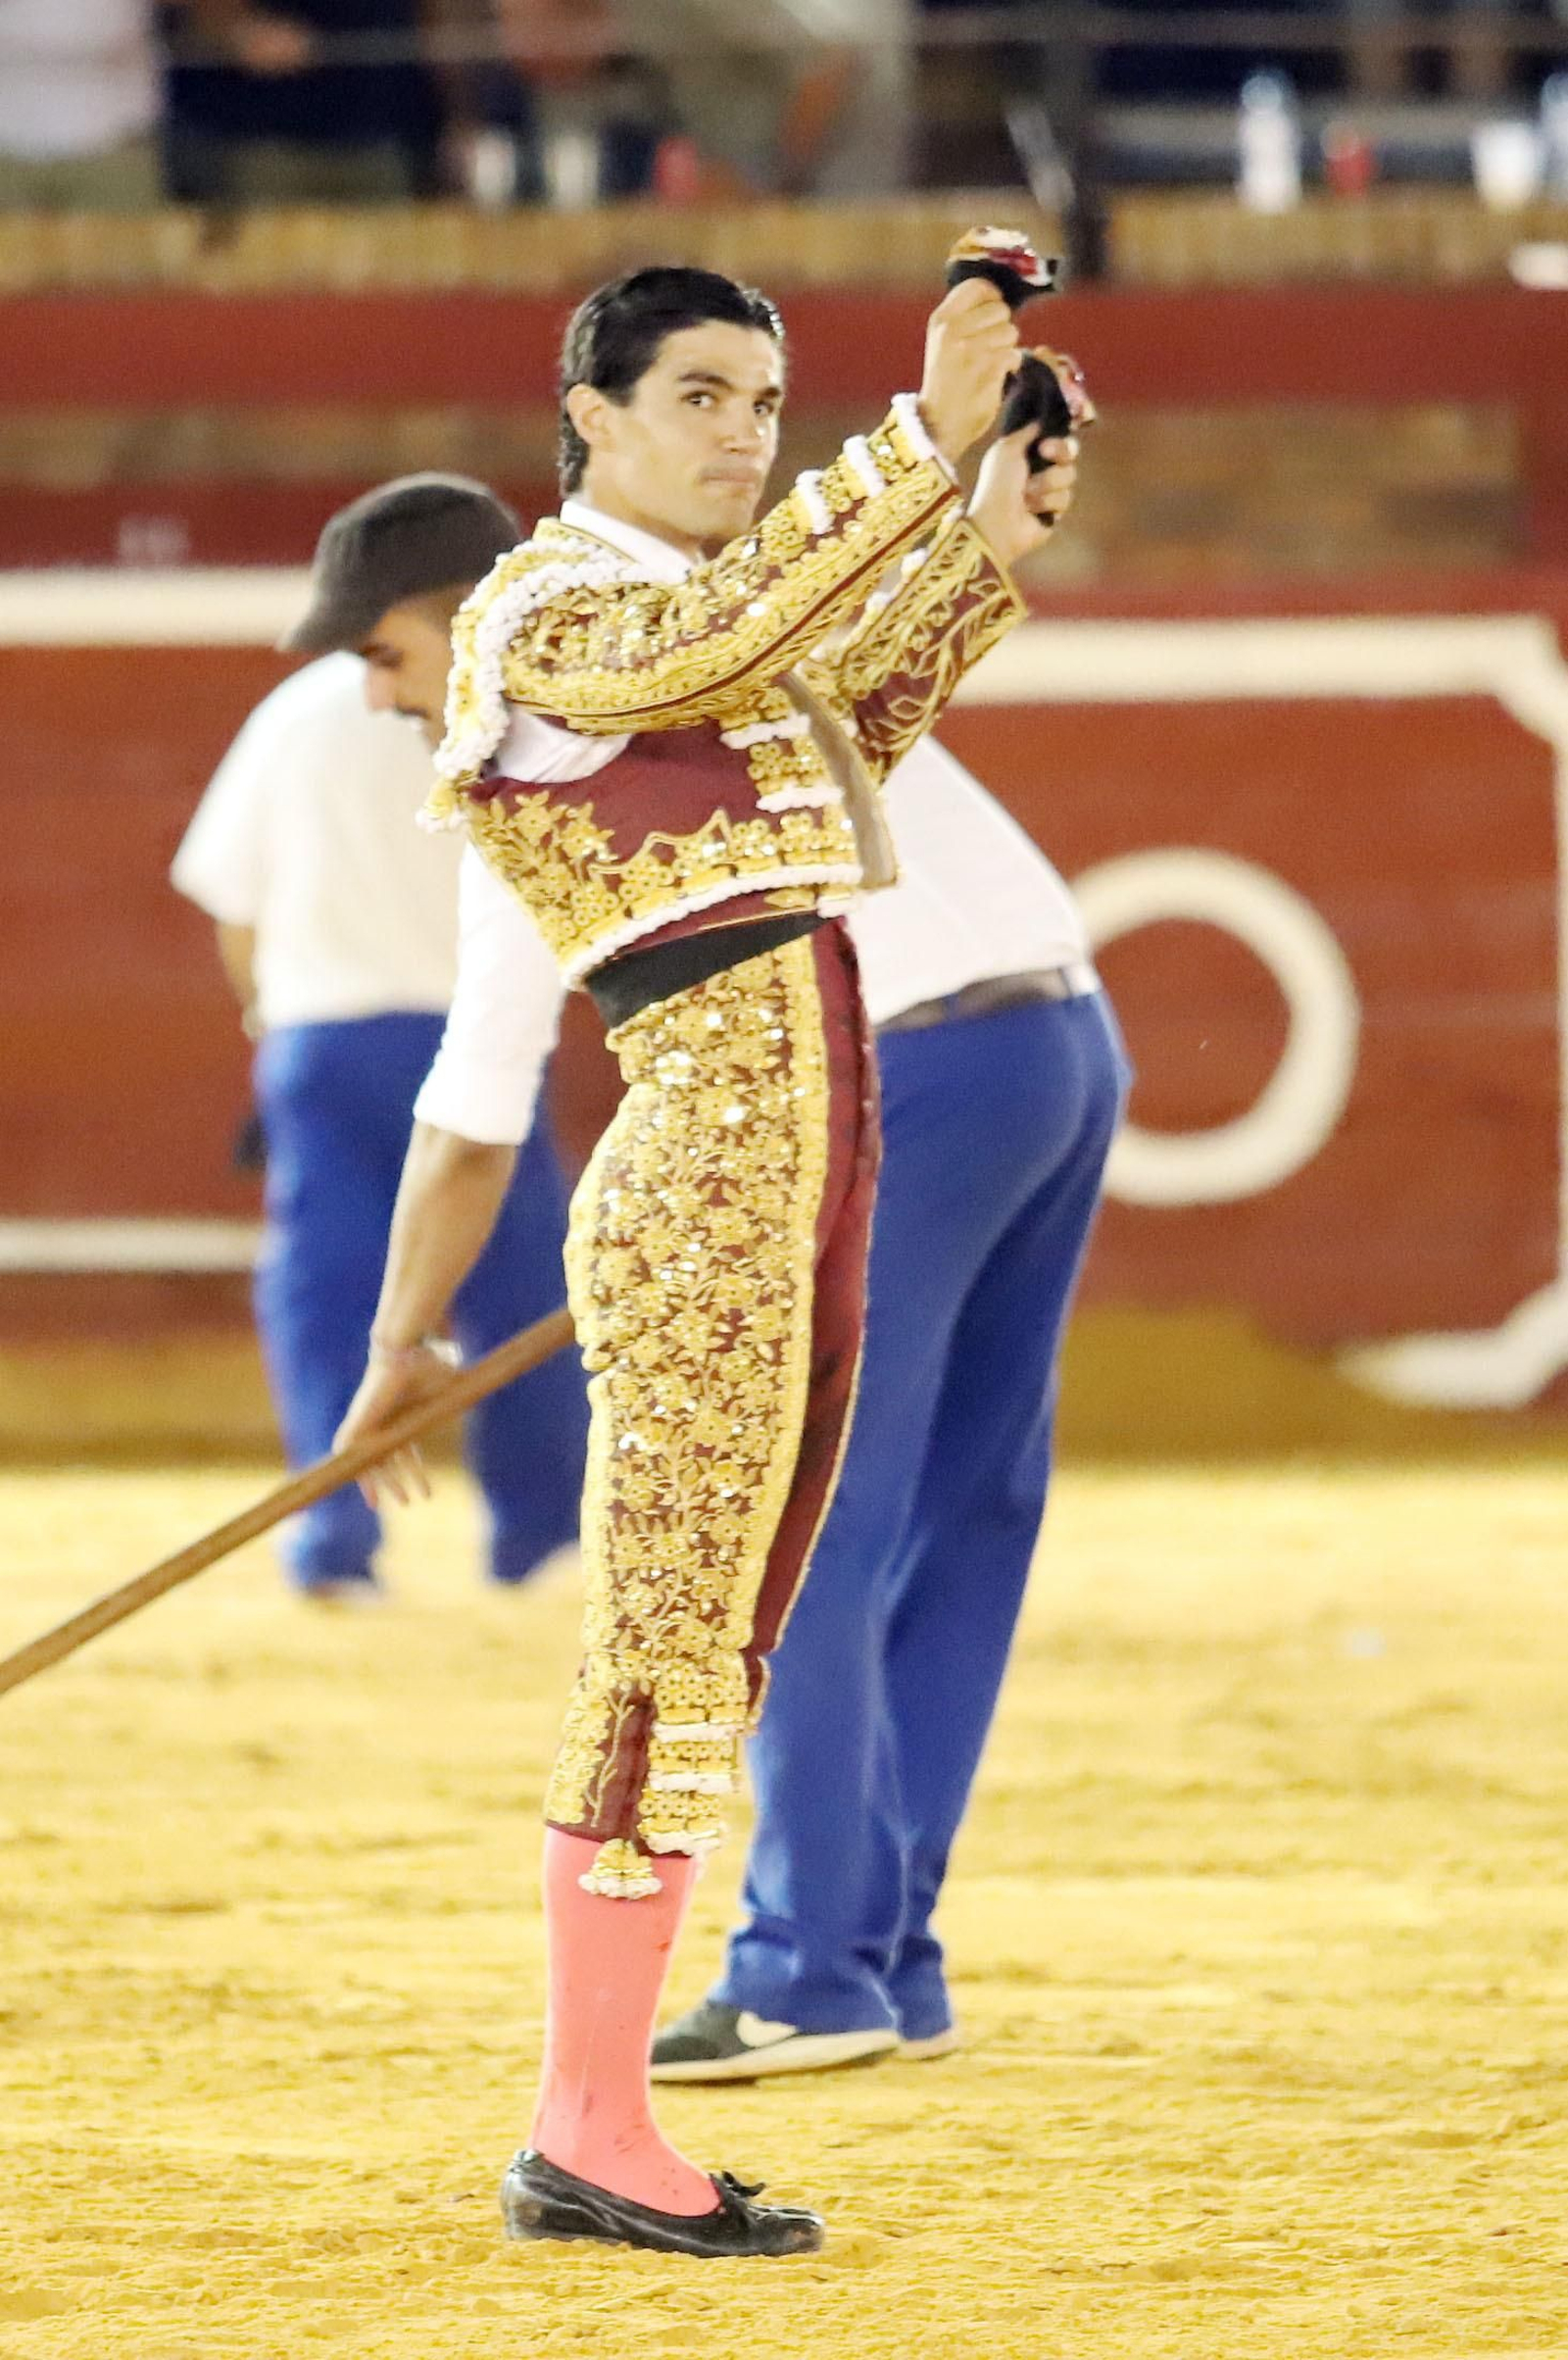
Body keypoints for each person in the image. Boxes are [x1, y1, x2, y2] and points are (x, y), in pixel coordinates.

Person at [322, 263, 1065, 2254]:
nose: (743, 432)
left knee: (714, 1636)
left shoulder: (683, 634)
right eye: (701, 396)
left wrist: (980, 534)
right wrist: (910, 438)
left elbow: (845, 717)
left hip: (800, 1169)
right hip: (709, 1191)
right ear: (589, 412)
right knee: (664, 1647)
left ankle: (600, 2108)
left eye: (766, 400)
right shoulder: (540, 612)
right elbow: (732, 632)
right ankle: (587, 2120)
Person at [172, 512, 590, 1599]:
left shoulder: (295, 714)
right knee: (514, 1276)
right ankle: (542, 1541)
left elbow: (234, 905)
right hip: (481, 1031)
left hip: (327, 1035)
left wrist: (270, 1020)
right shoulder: (517, 711)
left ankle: (333, 1546)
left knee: (331, 1291)